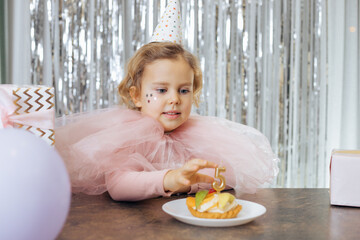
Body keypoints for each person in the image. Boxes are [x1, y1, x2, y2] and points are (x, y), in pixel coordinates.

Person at [55, 41, 278, 201]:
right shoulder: (129, 134)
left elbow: (229, 176)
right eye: (161, 90)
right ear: (136, 96)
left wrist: (190, 182)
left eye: (184, 90)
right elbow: (118, 186)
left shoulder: (201, 133)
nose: (174, 99)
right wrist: (169, 179)